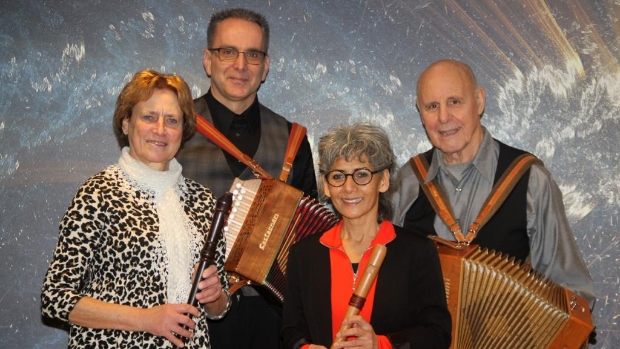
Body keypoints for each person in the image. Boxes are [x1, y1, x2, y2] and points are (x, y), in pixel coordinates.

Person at [41, 69, 230, 349]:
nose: (160, 130)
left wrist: (215, 296)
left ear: (183, 131)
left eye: (172, 120)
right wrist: (146, 319)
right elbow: (55, 298)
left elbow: (218, 309)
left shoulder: (203, 201)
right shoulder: (98, 193)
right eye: (149, 117)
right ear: (126, 123)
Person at [391, 59, 595, 308]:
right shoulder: (407, 183)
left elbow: (572, 295)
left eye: (454, 102)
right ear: (420, 113)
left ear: (479, 101)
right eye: (432, 106)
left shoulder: (530, 181)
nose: (443, 117)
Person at [175, 7, 318, 349]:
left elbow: (310, 238)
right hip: (188, 309)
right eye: (228, 52)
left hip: (274, 317)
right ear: (208, 60)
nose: (241, 65)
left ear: (265, 67)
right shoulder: (173, 128)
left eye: (253, 54)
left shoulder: (293, 138)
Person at [282, 124, 452, 349]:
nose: (349, 187)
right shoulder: (304, 254)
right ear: (326, 185)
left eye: (362, 174)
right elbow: (290, 331)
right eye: (338, 176)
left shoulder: (418, 252)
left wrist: (380, 344)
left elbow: (437, 334)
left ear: (383, 181)